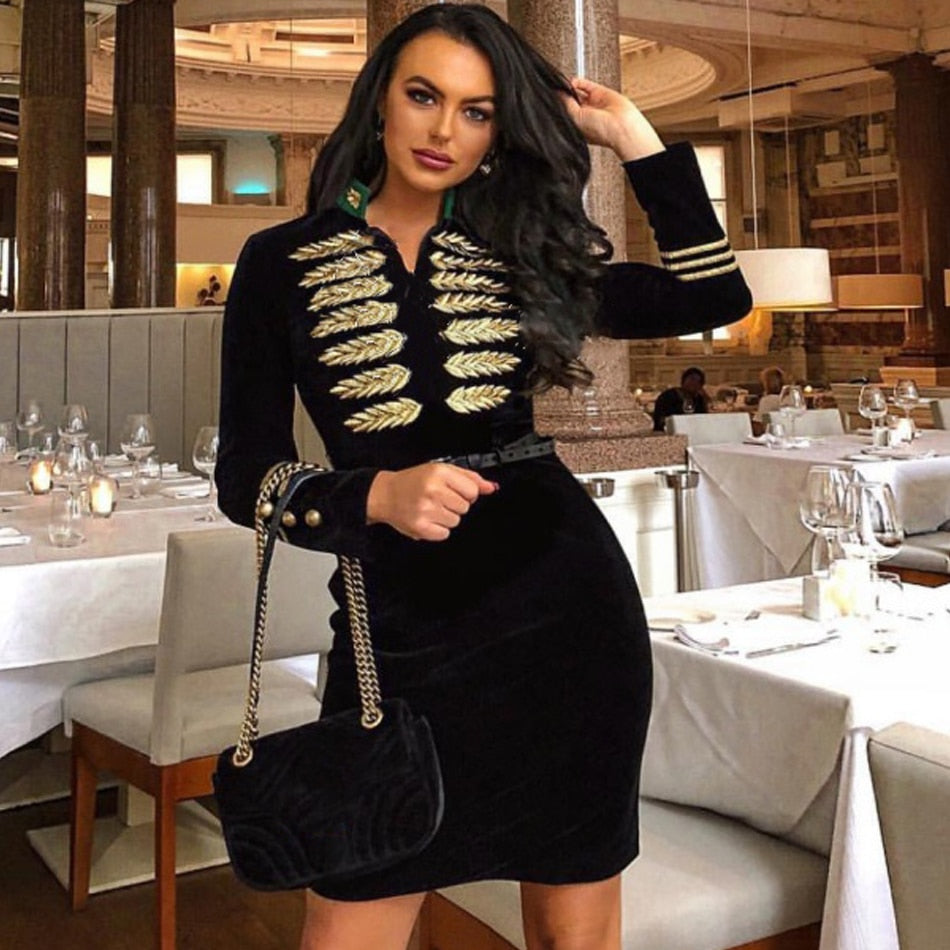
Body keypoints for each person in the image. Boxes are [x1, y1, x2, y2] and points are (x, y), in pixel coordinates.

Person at [216, 5, 751, 948]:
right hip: (396, 633)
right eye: (424, 96)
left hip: (567, 619)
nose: (444, 130)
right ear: (380, 100)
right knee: (349, 919)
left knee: (572, 933)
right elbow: (243, 476)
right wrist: (371, 496)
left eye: (477, 111)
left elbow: (715, 292)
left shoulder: (523, 253)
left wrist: (633, 135)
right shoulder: (279, 262)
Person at [651, 366, 710, 431]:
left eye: (698, 381)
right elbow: (660, 419)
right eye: (692, 379)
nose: (694, 383)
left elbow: (703, 420)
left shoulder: (699, 399)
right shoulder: (668, 396)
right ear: (683, 380)